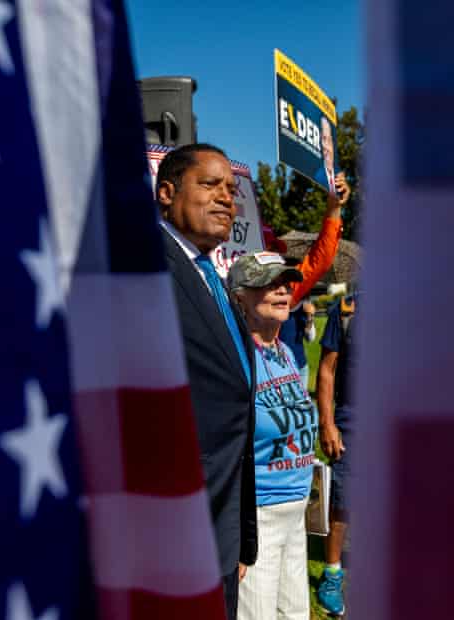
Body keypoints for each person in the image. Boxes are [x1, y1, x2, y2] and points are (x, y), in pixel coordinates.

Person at [156, 143, 257, 620]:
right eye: (210, 184)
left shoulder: (216, 280)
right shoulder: (144, 269)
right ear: (166, 192)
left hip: (221, 526)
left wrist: (240, 535)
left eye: (232, 190)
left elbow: (235, 405)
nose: (226, 199)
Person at [226, 252, 319, 620]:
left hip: (295, 512)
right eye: (269, 284)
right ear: (240, 296)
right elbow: (224, 447)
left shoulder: (283, 350)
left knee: (294, 614)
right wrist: (234, 536)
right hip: (257, 518)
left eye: (285, 283)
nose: (282, 291)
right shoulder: (236, 358)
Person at [273, 171, 350, 388]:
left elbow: (319, 260)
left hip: (296, 367)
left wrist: (334, 207)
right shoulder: (231, 292)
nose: (279, 287)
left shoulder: (288, 289)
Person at [315, 294, 356, 616]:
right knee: (342, 499)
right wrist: (327, 423)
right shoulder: (347, 308)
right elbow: (327, 370)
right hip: (352, 418)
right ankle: (332, 574)